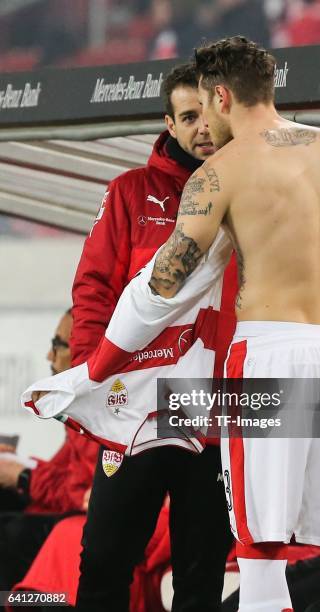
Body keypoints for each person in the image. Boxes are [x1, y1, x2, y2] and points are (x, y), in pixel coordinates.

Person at [143, 37, 320, 612]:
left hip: (271, 354)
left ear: (221, 95)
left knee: (259, 545)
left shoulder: (220, 172)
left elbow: (167, 282)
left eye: (206, 106)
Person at [71, 63, 235, 612]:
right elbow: (93, 290)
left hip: (215, 414)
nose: (202, 128)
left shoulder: (254, 194)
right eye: (188, 116)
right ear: (169, 122)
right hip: (136, 409)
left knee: (200, 575)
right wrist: (90, 382)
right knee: (104, 563)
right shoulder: (129, 192)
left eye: (208, 113)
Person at [0, 310, 98, 605]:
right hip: (80, 515)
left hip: (94, 524)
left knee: (10, 531)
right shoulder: (78, 405)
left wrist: (25, 476)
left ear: (85, 350)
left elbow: (82, 492)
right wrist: (19, 467)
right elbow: (64, 473)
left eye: (58, 345)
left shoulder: (99, 407)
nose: (49, 355)